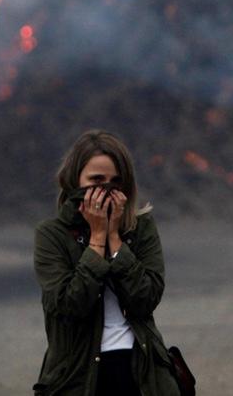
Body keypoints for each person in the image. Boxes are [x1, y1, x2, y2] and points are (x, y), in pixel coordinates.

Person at [33, 129, 182, 396]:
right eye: (96, 180)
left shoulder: (141, 228)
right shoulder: (52, 234)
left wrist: (115, 239)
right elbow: (69, 305)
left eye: (115, 181)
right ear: (75, 180)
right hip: (77, 377)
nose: (106, 189)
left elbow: (146, 298)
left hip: (142, 371)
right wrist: (97, 238)